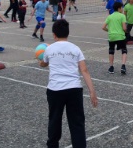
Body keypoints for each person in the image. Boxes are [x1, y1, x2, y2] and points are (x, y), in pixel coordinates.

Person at [38, 19, 98, 148]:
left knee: (54, 120)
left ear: (54, 35)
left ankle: (53, 145)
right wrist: (92, 91)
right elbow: (84, 70)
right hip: (74, 89)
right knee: (77, 123)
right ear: (68, 34)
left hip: (55, 90)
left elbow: (44, 63)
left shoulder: (49, 49)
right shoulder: (75, 48)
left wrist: (40, 60)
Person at [102, 1, 128, 74]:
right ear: (119, 8)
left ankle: (111, 67)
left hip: (111, 36)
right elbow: (124, 28)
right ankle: (123, 66)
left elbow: (103, 27)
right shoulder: (122, 16)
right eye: (122, 7)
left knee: (111, 51)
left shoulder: (110, 16)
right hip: (120, 36)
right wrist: (126, 32)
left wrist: (109, 30)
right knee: (124, 50)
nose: (122, 9)